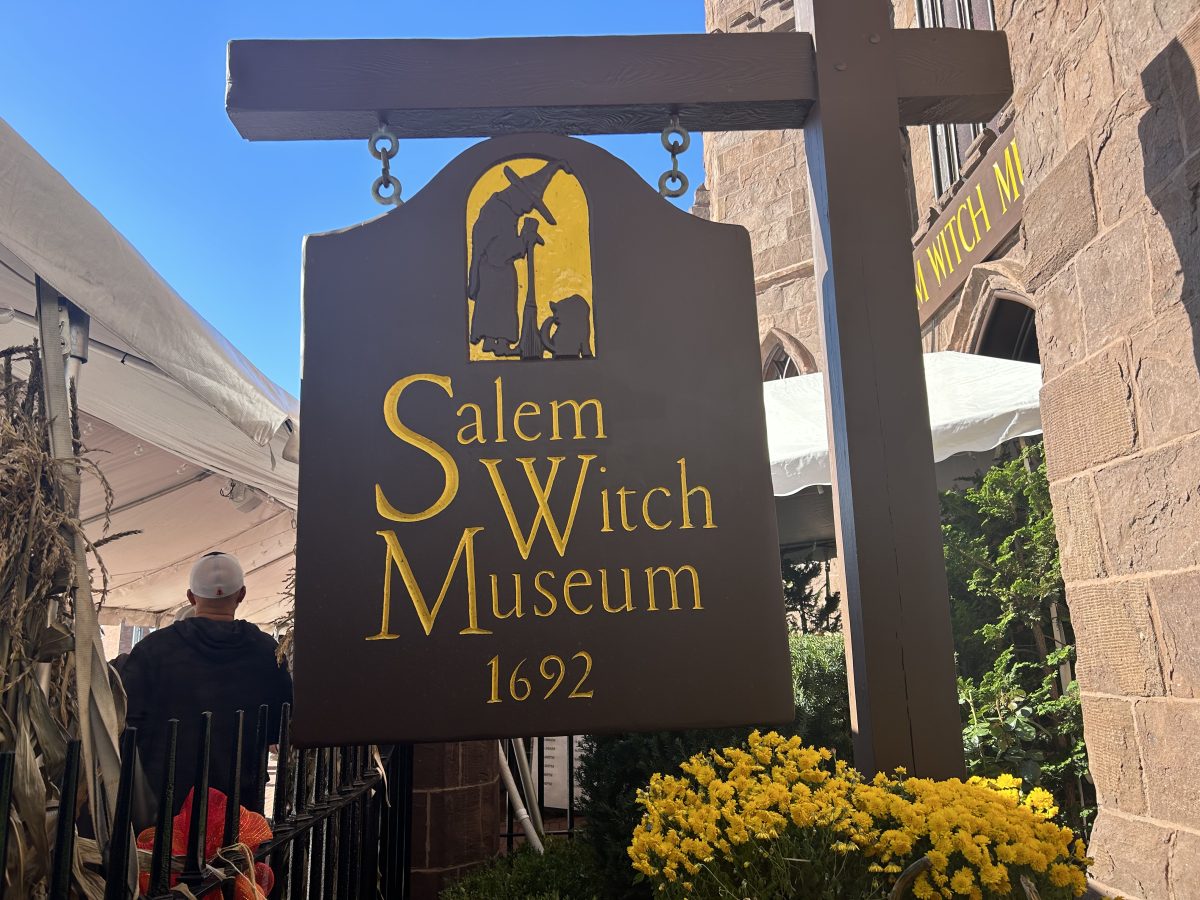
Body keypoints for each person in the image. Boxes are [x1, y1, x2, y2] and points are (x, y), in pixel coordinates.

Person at [121, 551, 293, 816]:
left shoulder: (153, 650)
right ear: (242, 594)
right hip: (240, 800)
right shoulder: (267, 652)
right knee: (235, 857)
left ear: (191, 597)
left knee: (166, 856)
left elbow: (128, 722)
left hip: (166, 800)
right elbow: (281, 726)